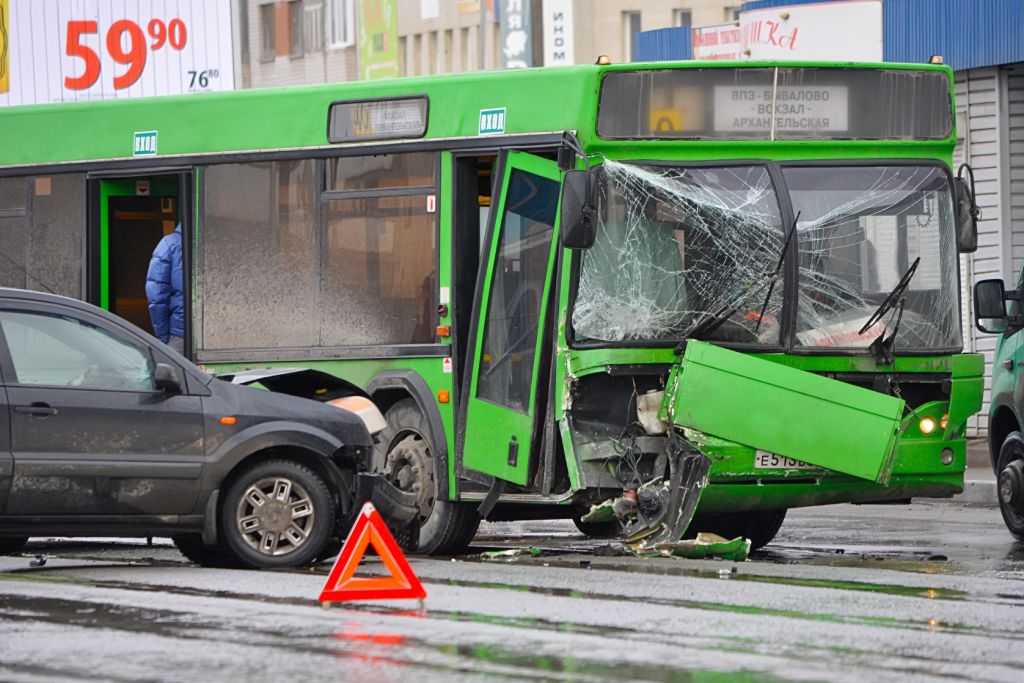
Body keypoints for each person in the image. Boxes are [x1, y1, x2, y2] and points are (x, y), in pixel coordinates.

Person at [145, 223, 184, 354]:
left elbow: (157, 296)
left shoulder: (169, 244)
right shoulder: (220, 242)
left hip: (180, 332)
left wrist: (163, 338)